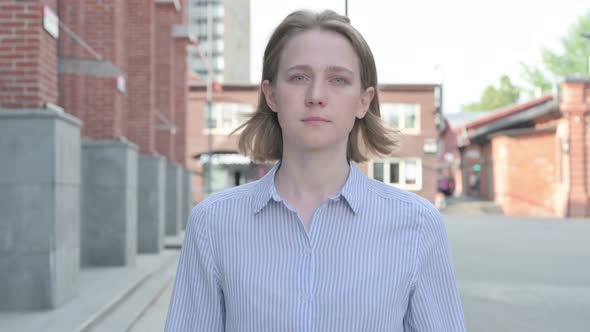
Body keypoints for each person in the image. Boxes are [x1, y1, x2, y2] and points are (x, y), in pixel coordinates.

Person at [165, 9, 465, 332]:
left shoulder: (418, 226)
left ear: (364, 101)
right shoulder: (212, 224)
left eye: (338, 80)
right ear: (271, 95)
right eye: (299, 77)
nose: (316, 96)